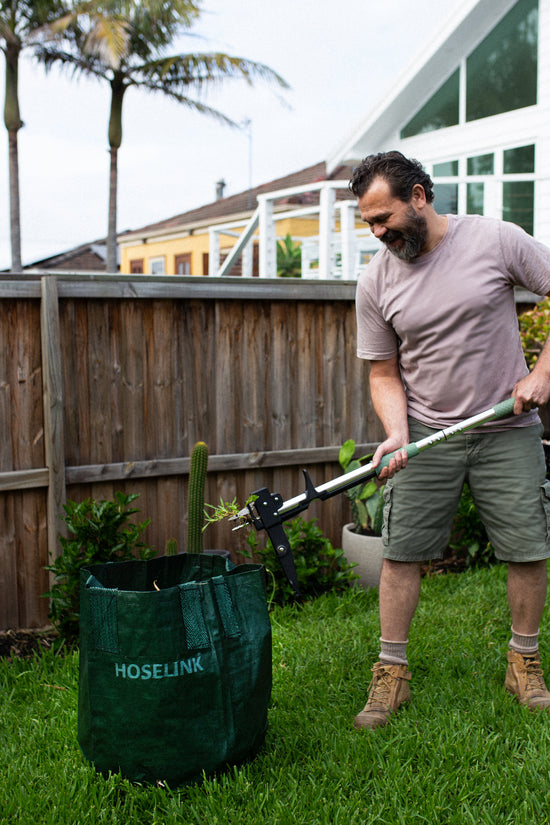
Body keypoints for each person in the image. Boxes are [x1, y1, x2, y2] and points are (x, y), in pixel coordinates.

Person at [348, 150, 550, 730]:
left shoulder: (496, 240)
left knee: (528, 547)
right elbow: (383, 371)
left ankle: (524, 660)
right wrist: (397, 432)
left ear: (418, 196)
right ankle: (392, 674)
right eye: (369, 224)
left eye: (384, 218)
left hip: (507, 426)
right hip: (429, 433)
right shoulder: (375, 281)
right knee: (401, 552)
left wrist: (541, 374)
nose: (379, 232)